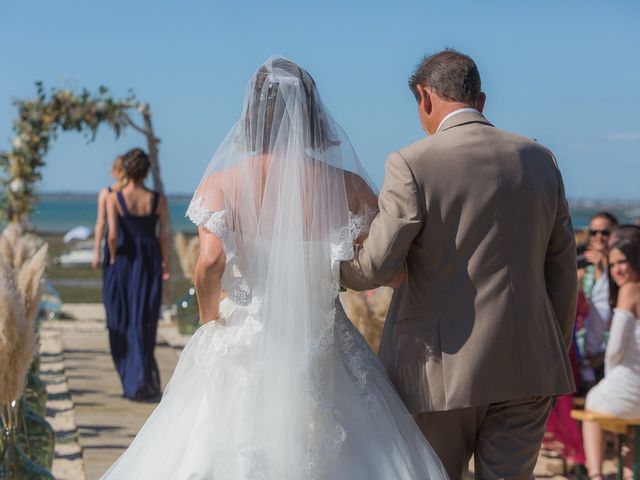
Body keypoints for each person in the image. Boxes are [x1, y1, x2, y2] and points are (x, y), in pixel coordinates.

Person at [100, 57, 447, 479]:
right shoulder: (348, 186)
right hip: (322, 337)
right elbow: (388, 268)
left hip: (247, 330)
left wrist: (211, 323)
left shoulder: (222, 183)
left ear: (252, 113)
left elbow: (209, 263)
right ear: (311, 112)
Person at [340, 49, 577, 479]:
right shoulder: (541, 160)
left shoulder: (412, 163)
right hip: (530, 366)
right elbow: (561, 270)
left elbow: (375, 266)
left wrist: (324, 269)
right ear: (481, 100)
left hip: (442, 374)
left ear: (424, 97)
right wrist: (552, 351)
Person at [104, 148, 170, 401]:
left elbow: (112, 235)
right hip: (149, 259)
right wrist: (165, 263)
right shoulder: (158, 199)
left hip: (124, 260)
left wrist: (111, 257)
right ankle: (143, 379)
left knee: (122, 318)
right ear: (145, 172)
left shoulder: (115, 198)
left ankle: (131, 379)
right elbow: (162, 234)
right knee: (145, 319)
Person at [582, 235, 640, 478]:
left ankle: (595, 475)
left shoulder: (629, 290)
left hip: (629, 384)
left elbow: (614, 348)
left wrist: (609, 374)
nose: (617, 269)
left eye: (622, 262)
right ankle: (629, 473)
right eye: (612, 264)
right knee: (630, 427)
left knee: (593, 403)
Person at [579, 212, 618, 384]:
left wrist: (605, 268)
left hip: (609, 353)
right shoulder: (581, 266)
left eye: (605, 232)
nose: (598, 237)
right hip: (581, 351)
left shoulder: (622, 270)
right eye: (593, 232)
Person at [92, 156, 126, 269]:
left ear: (115, 171)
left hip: (114, 240)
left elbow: (101, 223)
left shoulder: (106, 193)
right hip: (134, 240)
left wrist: (96, 252)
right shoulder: (134, 193)